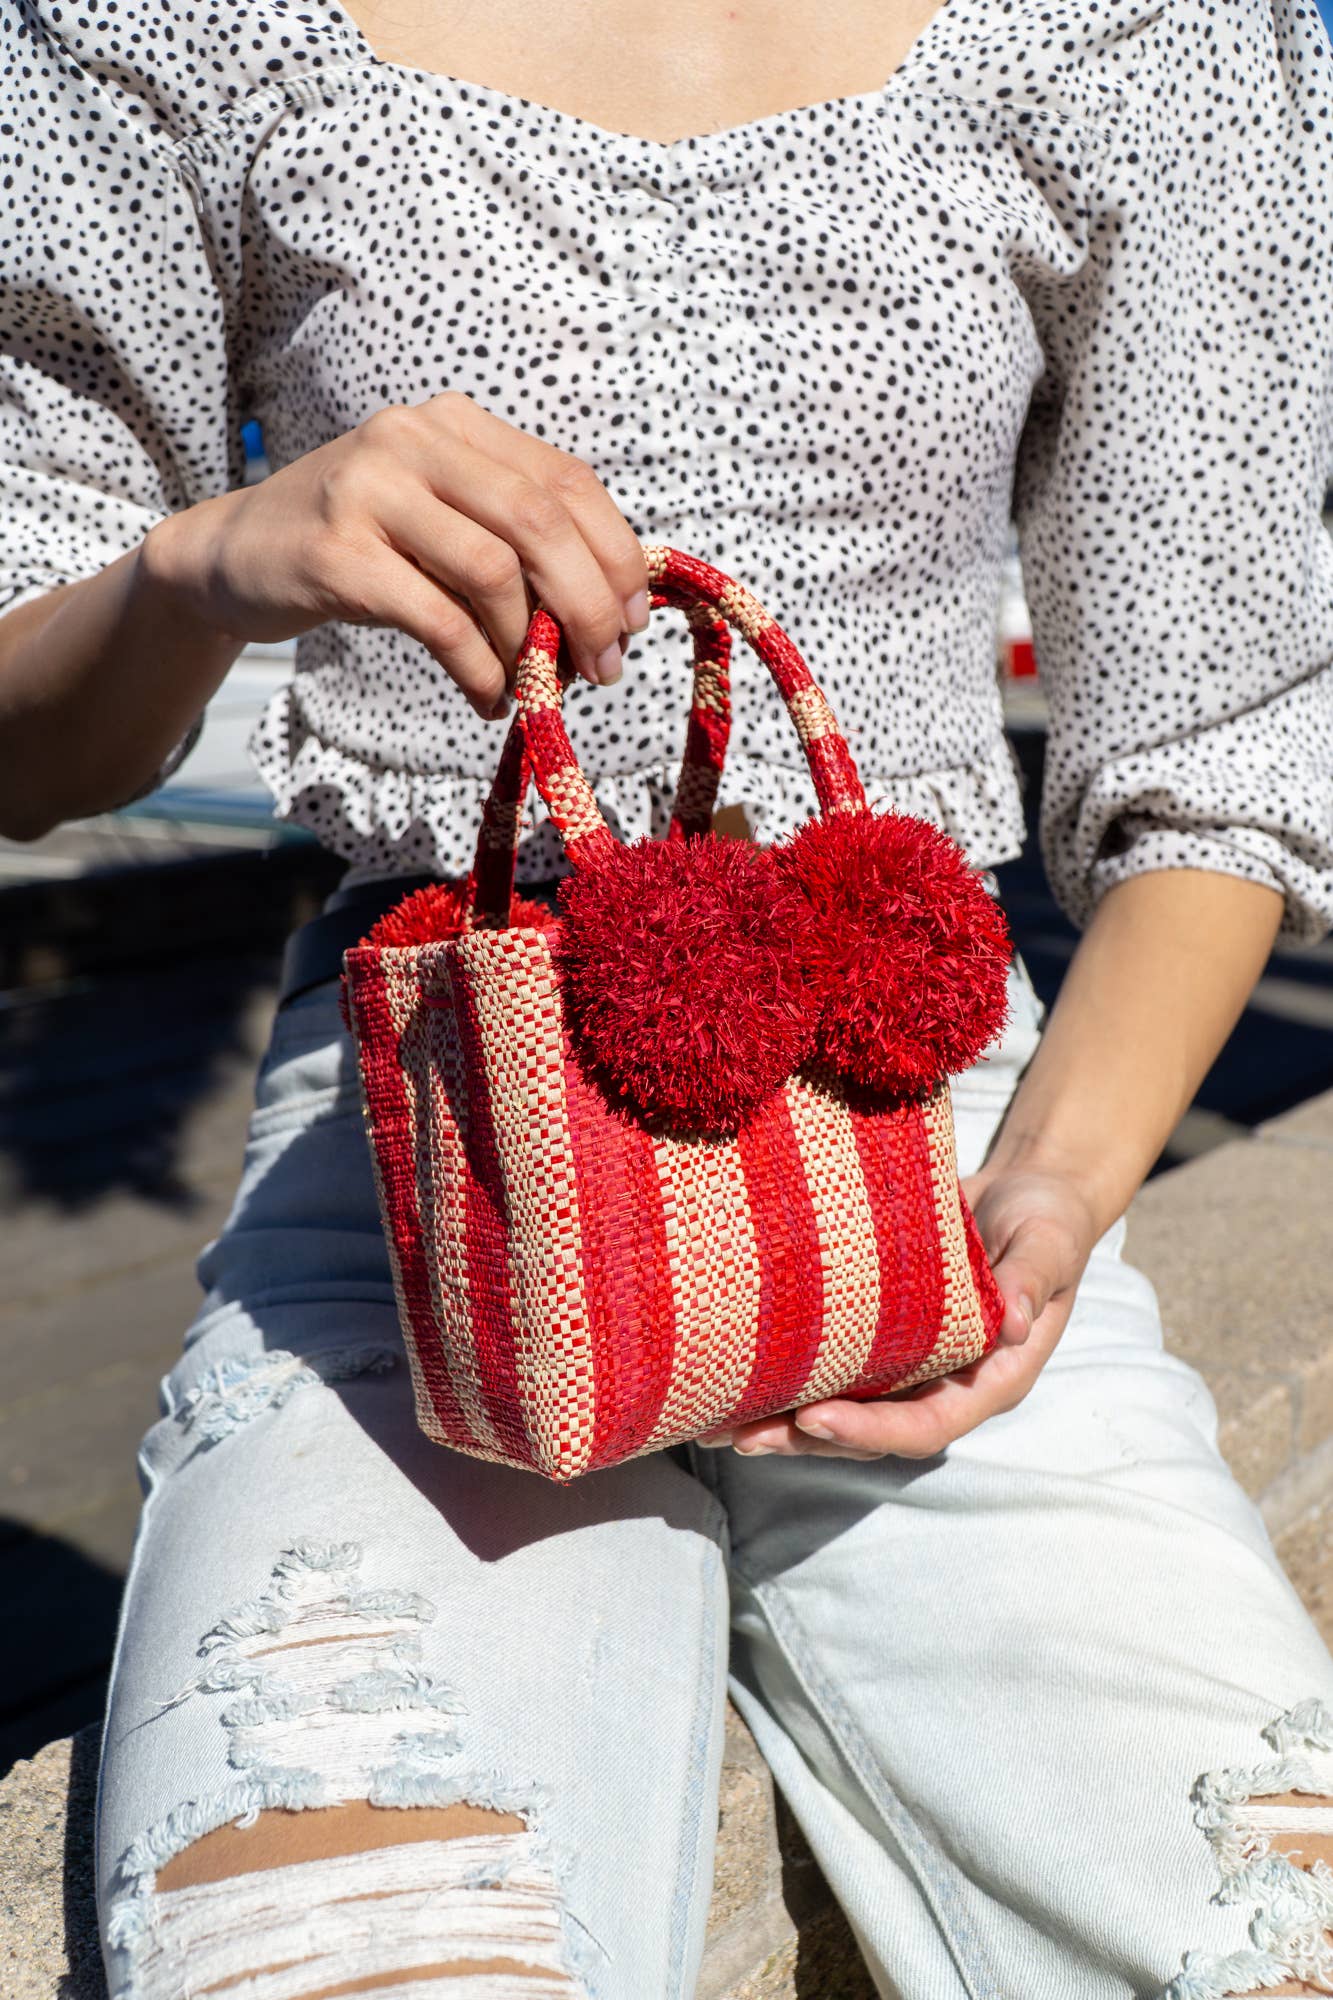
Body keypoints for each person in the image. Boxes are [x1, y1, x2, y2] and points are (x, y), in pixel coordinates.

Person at [3, 0, 1333, 1993]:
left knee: (1261, 1929)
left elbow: (1215, 738)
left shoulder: (1136, 37)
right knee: (347, 1939)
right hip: (427, 1144)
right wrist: (200, 565)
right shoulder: (163, 30)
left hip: (919, 1138)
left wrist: (1050, 1196)